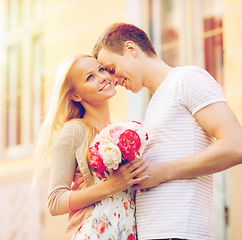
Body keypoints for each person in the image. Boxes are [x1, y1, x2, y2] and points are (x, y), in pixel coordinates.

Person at [91, 23, 242, 240]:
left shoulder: (186, 79)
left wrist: (163, 171)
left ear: (131, 49)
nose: (112, 80)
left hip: (179, 234)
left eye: (112, 69)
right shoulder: (155, 102)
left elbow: (236, 145)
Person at [33, 54, 148, 240]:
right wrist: (111, 185)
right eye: (90, 77)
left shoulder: (122, 132)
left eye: (101, 70)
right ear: (75, 95)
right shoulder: (74, 131)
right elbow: (55, 201)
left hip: (127, 232)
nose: (102, 77)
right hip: (96, 232)